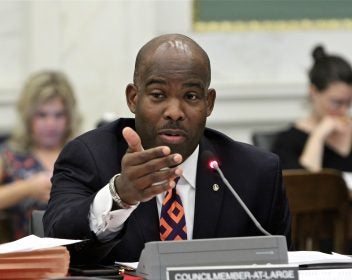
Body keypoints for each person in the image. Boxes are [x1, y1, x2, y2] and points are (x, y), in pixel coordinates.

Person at [44, 34, 291, 265]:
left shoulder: (257, 173)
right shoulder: (90, 156)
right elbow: (57, 242)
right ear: (133, 98)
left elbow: (282, 266)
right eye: (158, 94)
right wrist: (120, 196)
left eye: (191, 96)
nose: (174, 111)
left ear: (209, 103)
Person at [0, 70, 81, 241]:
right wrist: (28, 188)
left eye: (58, 115)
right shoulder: (9, 156)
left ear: (69, 117)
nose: (51, 124)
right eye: (42, 115)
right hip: (25, 255)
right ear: (28, 117)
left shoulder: (80, 152)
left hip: (79, 256)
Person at [272, 45, 352, 172]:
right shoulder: (288, 141)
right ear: (313, 92)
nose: (344, 110)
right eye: (336, 103)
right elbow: (304, 186)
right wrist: (318, 135)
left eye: (349, 102)